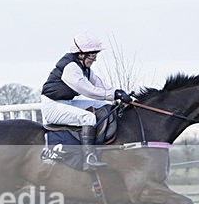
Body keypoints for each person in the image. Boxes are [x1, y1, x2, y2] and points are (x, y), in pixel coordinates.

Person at [40, 31, 132, 170]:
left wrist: (117, 92)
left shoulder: (84, 68)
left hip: (66, 102)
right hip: (52, 106)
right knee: (88, 118)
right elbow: (89, 91)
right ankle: (89, 157)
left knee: (104, 106)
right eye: (92, 55)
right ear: (81, 54)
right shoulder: (71, 68)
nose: (95, 59)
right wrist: (113, 95)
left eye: (96, 55)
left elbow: (99, 84)